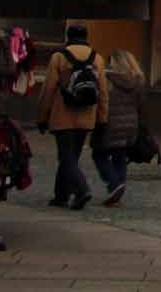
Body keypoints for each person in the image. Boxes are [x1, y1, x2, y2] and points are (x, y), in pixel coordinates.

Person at [35, 24, 109, 210]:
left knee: (66, 157)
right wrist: (102, 119)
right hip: (87, 116)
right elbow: (103, 92)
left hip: (63, 116)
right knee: (71, 157)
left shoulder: (59, 57)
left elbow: (48, 90)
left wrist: (42, 117)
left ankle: (82, 190)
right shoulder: (97, 58)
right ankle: (61, 195)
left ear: (69, 36)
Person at [93, 50, 147, 207]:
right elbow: (141, 105)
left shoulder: (106, 78)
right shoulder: (138, 80)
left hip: (110, 123)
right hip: (130, 124)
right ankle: (119, 187)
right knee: (120, 156)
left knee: (99, 154)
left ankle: (114, 183)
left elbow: (100, 99)